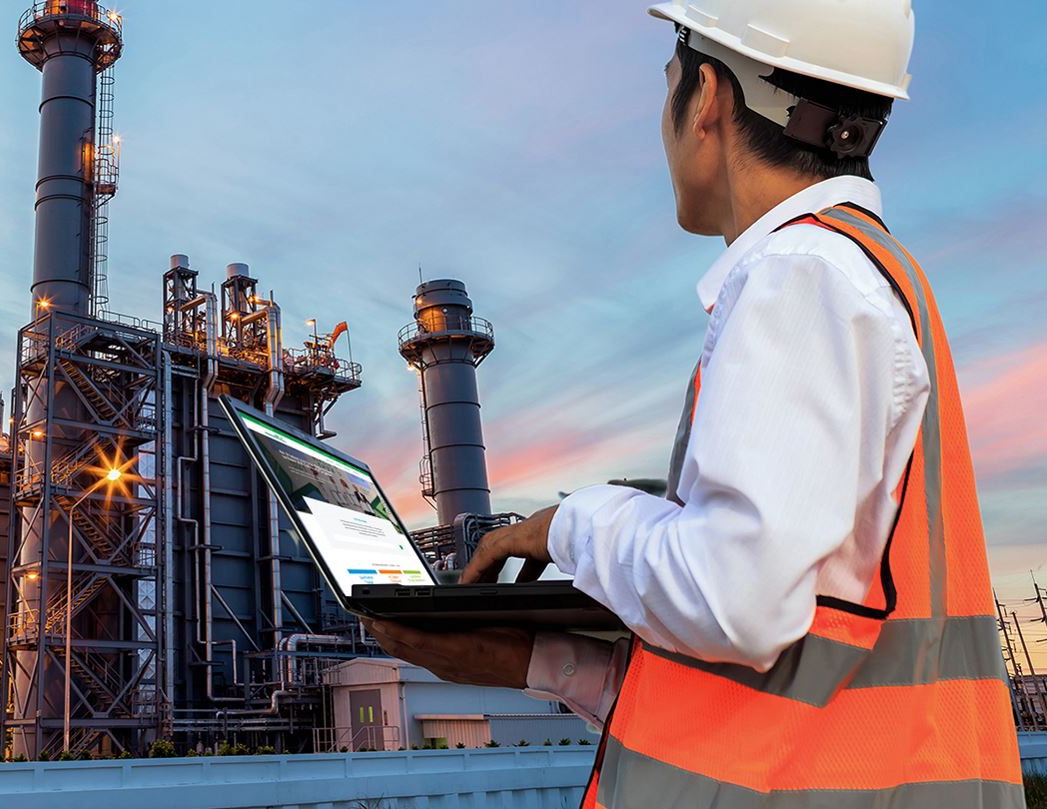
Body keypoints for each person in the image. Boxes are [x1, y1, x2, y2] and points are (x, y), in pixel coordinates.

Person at [365, 0, 1026, 806]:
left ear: (706, 93)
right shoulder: (865, 278)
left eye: (668, 81)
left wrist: (570, 524)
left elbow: (733, 600)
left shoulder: (801, 277)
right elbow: (764, 689)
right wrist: (526, 660)